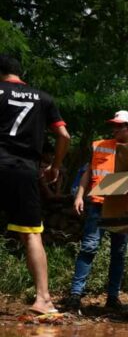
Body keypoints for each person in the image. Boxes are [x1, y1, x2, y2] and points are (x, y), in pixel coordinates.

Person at [0, 54, 70, 315]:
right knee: (31, 234)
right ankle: (43, 300)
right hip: (24, 170)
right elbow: (64, 135)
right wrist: (54, 166)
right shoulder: (44, 98)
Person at [67, 110, 128, 311]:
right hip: (98, 204)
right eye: (113, 125)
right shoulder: (100, 146)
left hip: (122, 210)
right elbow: (88, 173)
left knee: (119, 253)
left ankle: (112, 298)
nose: (114, 129)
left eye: (119, 126)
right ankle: (75, 295)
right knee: (88, 248)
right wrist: (79, 195)